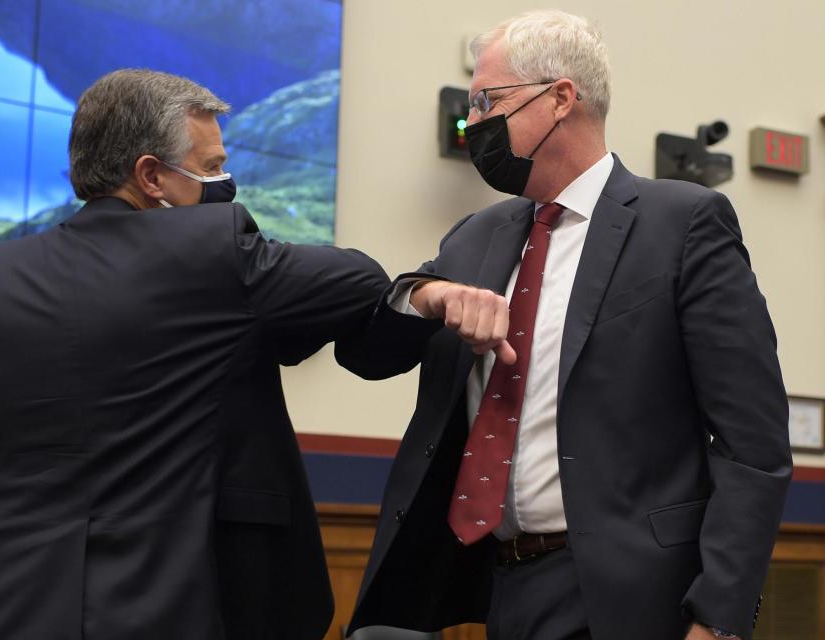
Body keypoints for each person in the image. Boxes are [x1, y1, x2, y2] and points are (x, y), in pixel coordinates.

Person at [0, 69, 388, 640]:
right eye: (212, 168)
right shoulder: (217, 257)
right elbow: (360, 280)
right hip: (162, 609)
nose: (224, 184)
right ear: (151, 176)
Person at [337, 10, 790, 640]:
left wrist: (717, 619)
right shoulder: (475, 237)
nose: (474, 122)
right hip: (497, 584)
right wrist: (427, 295)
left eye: (487, 100)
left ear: (558, 100)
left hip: (634, 594)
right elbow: (369, 354)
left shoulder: (683, 223)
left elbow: (754, 443)